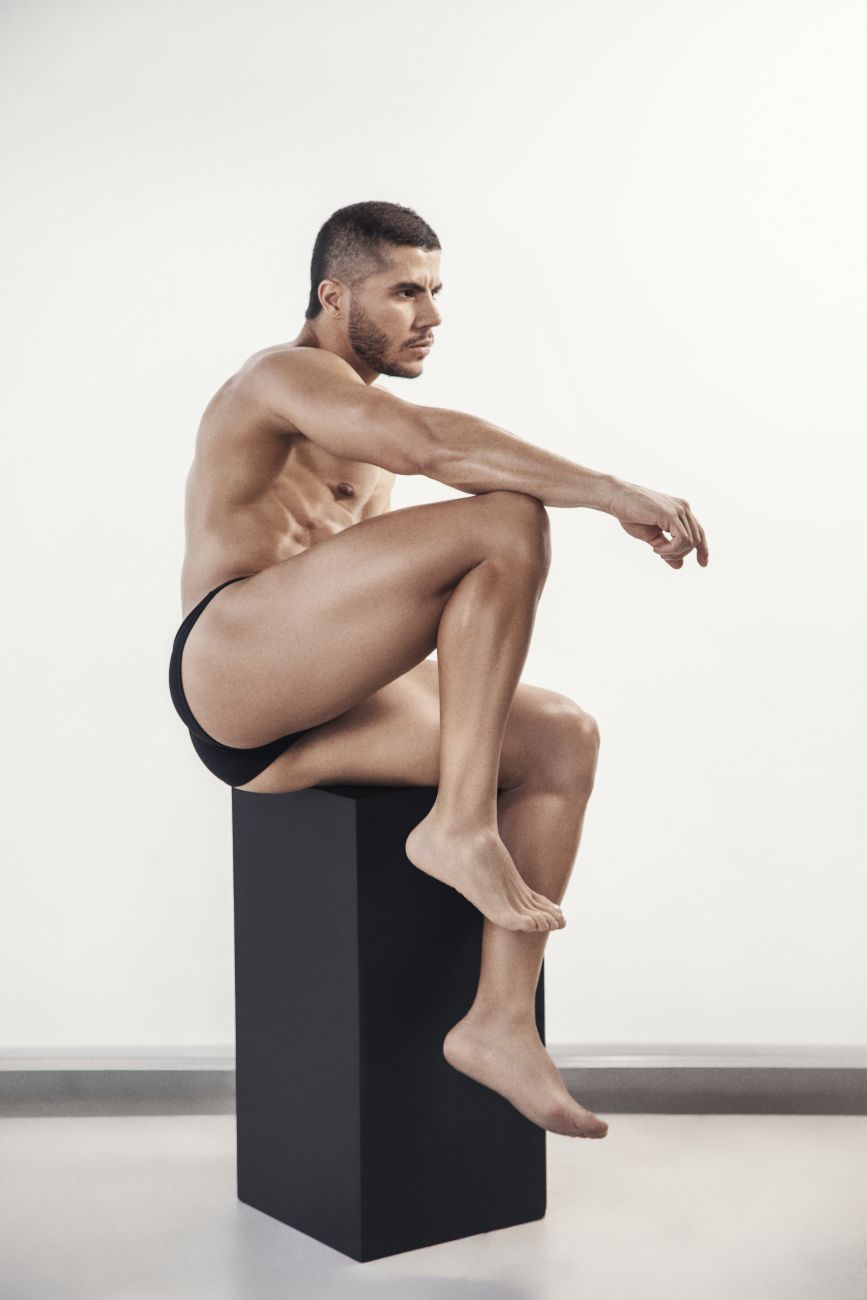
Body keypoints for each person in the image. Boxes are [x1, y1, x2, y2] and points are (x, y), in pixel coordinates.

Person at [169, 200, 709, 1139]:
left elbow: (392, 591)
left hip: (322, 705)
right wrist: (610, 492)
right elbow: (429, 444)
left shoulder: (361, 417)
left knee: (562, 739)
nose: (431, 315)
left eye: (435, 291)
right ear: (334, 297)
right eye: (405, 292)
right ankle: (458, 825)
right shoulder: (282, 376)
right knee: (507, 517)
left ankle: (499, 1022)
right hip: (234, 666)